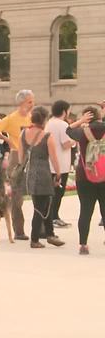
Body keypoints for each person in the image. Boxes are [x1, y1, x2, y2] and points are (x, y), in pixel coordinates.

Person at [0, 89, 35, 241]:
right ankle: (19, 230)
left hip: (31, 155)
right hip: (16, 156)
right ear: (22, 102)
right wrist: (7, 140)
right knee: (17, 196)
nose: (32, 104)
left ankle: (40, 228)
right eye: (30, 101)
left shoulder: (32, 117)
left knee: (36, 192)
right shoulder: (11, 118)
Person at [19, 106, 65, 249]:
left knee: (43, 205)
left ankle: (50, 234)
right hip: (44, 173)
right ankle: (35, 239)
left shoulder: (23, 134)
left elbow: (21, 158)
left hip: (30, 173)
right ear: (44, 120)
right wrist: (58, 174)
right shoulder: (46, 136)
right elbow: (54, 158)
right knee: (40, 208)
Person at [66, 106, 105, 255]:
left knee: (85, 211)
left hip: (85, 176)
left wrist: (79, 121)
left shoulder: (82, 132)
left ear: (86, 117)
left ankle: (83, 244)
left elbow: (68, 130)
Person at [45, 100, 74, 229]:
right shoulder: (63, 125)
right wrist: (74, 140)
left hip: (49, 163)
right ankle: (54, 217)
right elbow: (65, 143)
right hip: (61, 165)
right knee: (58, 193)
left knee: (51, 193)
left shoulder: (48, 123)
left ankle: (51, 217)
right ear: (64, 111)